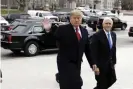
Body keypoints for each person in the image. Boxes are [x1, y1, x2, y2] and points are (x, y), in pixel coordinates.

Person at [55, 10, 98, 89]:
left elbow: (87, 49)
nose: (77, 20)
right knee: (70, 84)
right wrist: (47, 30)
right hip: (65, 63)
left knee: (75, 83)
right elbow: (53, 39)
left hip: (77, 63)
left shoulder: (84, 31)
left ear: (81, 19)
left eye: (78, 18)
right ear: (70, 19)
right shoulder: (62, 29)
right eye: (74, 18)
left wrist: (93, 63)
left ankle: (59, 77)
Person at [90, 17, 117, 89]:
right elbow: (93, 52)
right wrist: (95, 66)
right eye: (106, 23)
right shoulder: (97, 35)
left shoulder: (113, 34)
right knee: (102, 84)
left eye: (109, 24)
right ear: (103, 24)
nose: (108, 25)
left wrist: (114, 62)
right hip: (100, 65)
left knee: (112, 79)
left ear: (112, 25)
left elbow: (113, 49)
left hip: (110, 64)